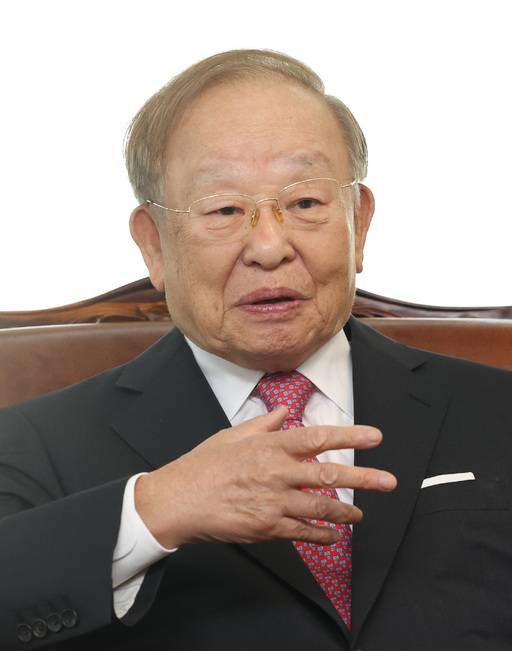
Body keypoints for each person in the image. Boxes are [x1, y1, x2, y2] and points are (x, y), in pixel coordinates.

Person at [1, 49, 511, 651]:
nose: (269, 248)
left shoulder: (497, 409)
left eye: (305, 203)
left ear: (360, 222)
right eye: (224, 209)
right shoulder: (32, 442)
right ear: (153, 245)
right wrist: (155, 509)